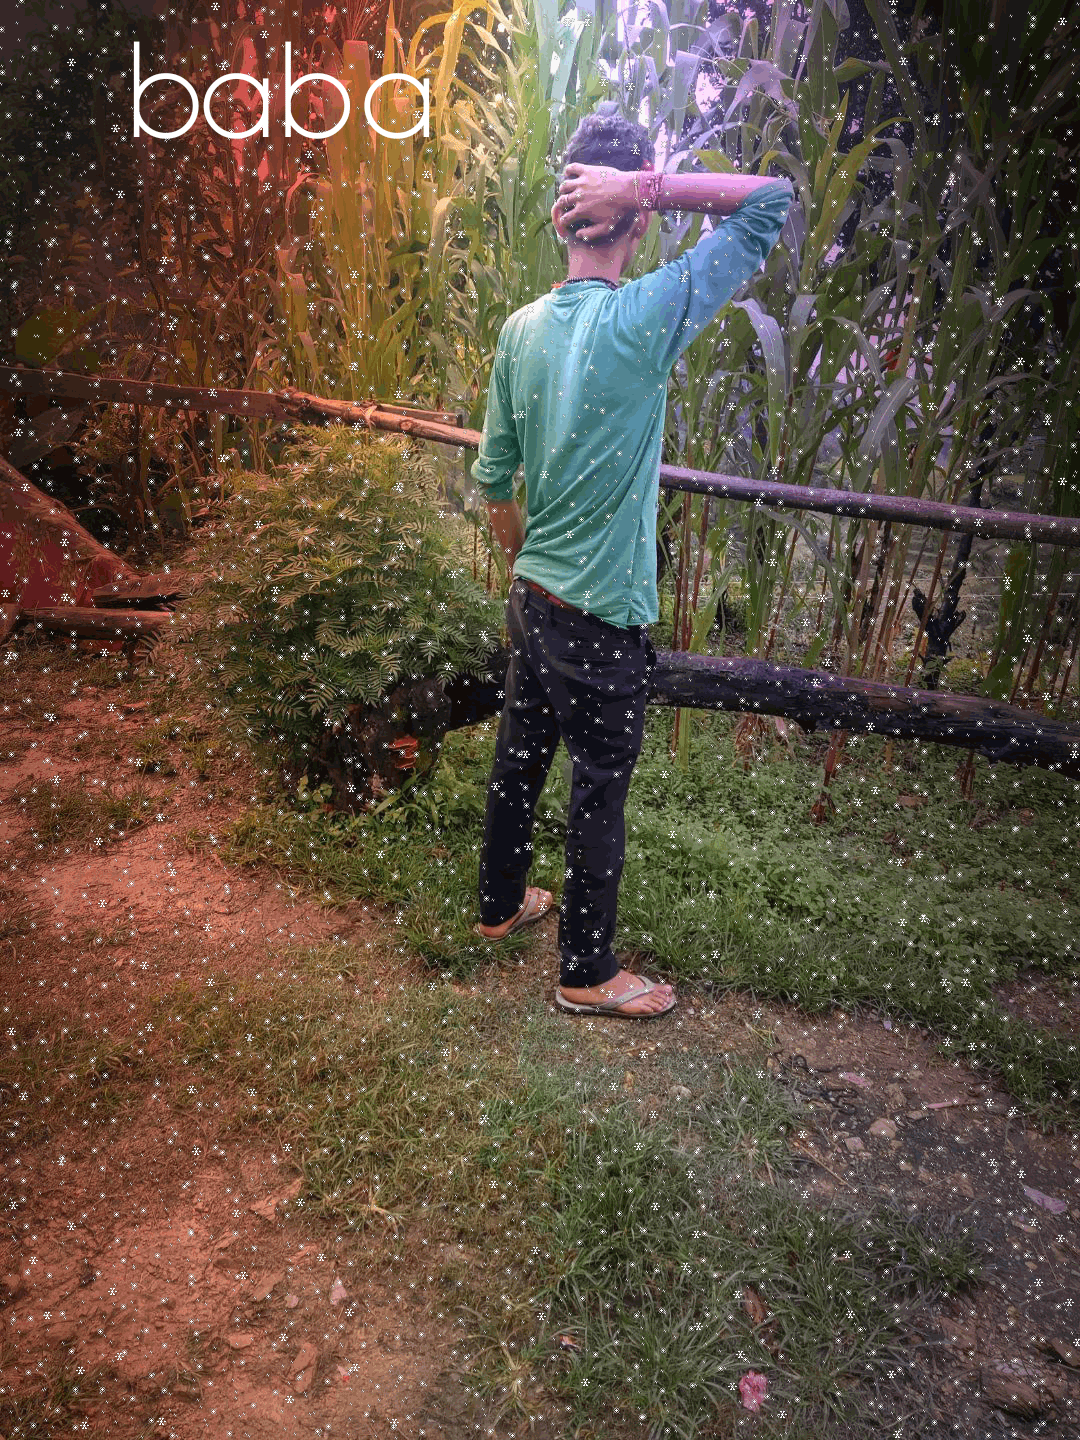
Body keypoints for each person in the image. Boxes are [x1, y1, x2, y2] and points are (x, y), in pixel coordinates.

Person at [471, 102, 793, 1019]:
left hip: (533, 596)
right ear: (636, 222)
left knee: (520, 759)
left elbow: (493, 477)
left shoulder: (520, 329)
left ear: (561, 219)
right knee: (599, 790)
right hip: (602, 615)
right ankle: (585, 973)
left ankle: (499, 906)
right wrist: (645, 185)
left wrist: (525, 560)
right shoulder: (648, 316)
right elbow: (769, 200)